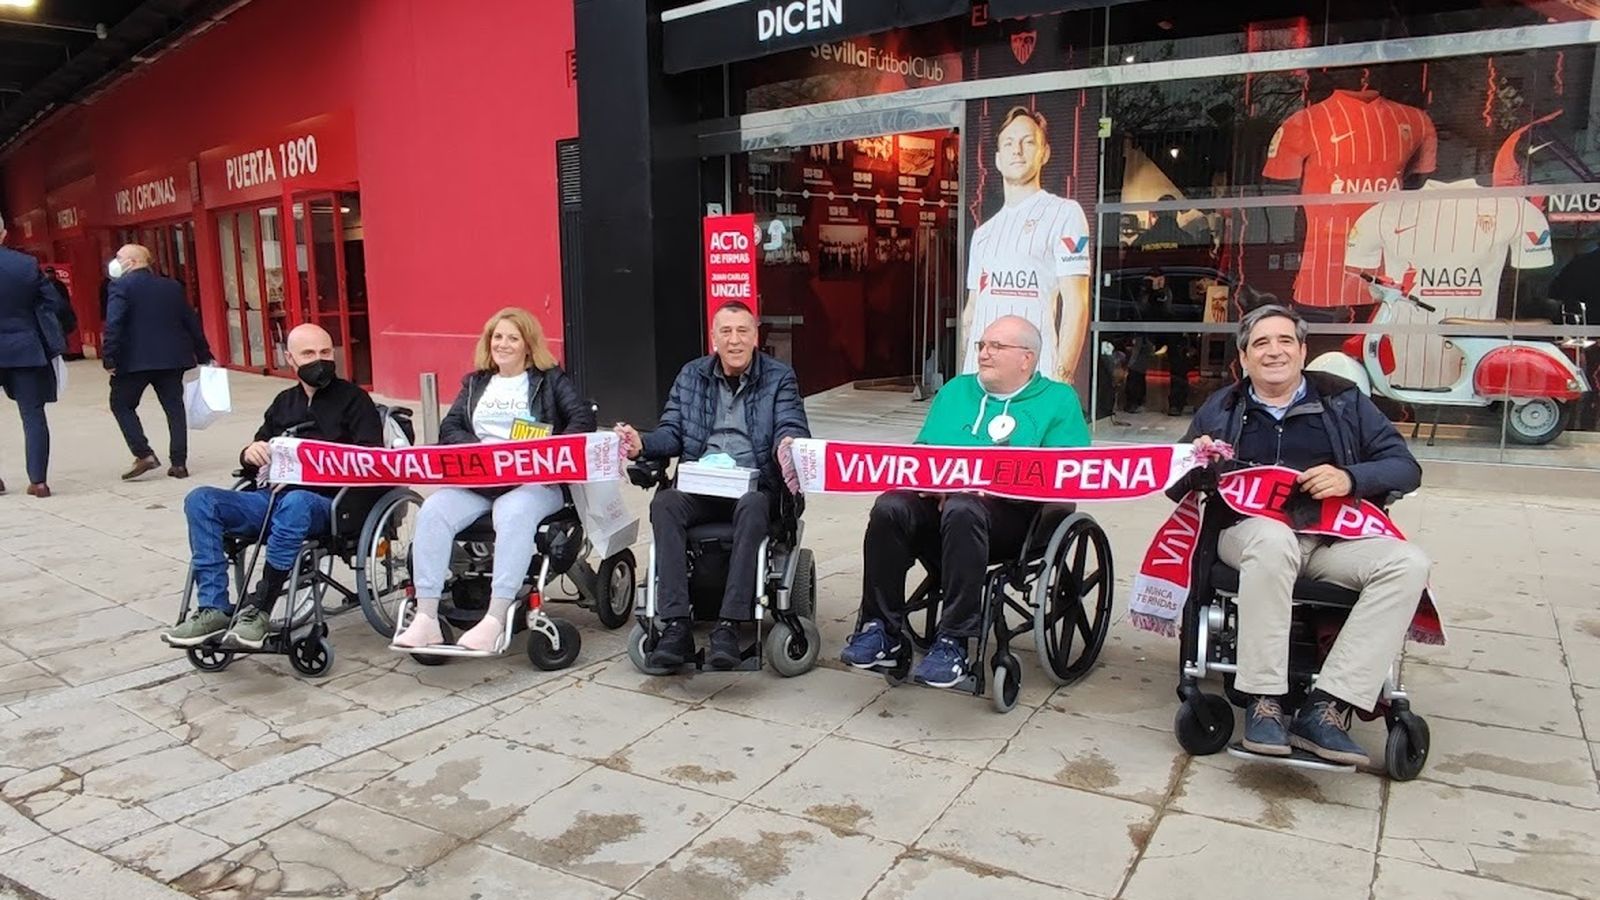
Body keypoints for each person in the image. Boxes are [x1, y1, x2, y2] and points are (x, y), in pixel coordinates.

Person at [1184, 304, 1429, 766]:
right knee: (1273, 541)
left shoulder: (1343, 400)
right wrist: (1196, 459)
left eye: (1284, 341)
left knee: (1409, 563)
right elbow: (1174, 483)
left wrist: (1350, 477)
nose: (1273, 351)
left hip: (1332, 540)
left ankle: (1329, 706)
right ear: (1243, 358)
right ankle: (1263, 700)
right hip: (1248, 536)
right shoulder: (1222, 407)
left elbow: (1405, 467)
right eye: (1260, 343)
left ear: (1302, 351)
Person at [842, 316, 1090, 687]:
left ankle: (953, 640)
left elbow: (1069, 476)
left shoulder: (1058, 400)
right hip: (942, 505)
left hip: (1015, 518)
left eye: (996, 347)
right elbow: (922, 453)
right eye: (982, 346)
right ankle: (881, 630)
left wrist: (989, 488)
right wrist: (935, 483)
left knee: (964, 508)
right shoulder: (956, 391)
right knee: (890, 507)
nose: (984, 354)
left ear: (1027, 358)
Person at [614, 300, 811, 671]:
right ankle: (675, 625)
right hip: (701, 484)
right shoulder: (691, 375)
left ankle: (729, 625)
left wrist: (788, 444)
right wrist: (642, 443)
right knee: (666, 504)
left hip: (754, 485)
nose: (734, 340)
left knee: (754, 506)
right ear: (713, 338)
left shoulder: (779, 377)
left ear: (756, 337)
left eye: (742, 331)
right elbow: (672, 431)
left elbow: (790, 424)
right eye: (726, 332)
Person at [163, 324, 381, 649]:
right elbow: (256, 452)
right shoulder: (283, 403)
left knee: (297, 503)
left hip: (329, 504)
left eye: (325, 352)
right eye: (308, 354)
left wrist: (310, 469)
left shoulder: (355, 400)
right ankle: (213, 608)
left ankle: (259, 610)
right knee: (200, 500)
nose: (319, 360)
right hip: (270, 498)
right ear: (290, 359)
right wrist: (250, 452)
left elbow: (371, 461)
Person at [392, 308, 595, 652]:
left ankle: (496, 617)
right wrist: (483, 454)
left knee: (512, 514)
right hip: (480, 477)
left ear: (528, 345)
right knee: (434, 511)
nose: (503, 344)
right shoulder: (476, 383)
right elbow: (450, 429)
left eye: (512, 338)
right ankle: (426, 616)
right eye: (497, 337)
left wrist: (541, 451)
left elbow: (581, 422)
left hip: (533, 482)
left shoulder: (550, 380)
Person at [961, 106, 1092, 384]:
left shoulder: (1065, 214)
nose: (1017, 150)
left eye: (1027, 142)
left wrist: (1061, 383)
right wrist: (964, 378)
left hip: (1035, 379)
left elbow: (1076, 304)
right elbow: (971, 312)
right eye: (1008, 144)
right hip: (980, 380)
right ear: (997, 159)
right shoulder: (983, 234)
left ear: (1044, 153)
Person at [102, 244, 214, 480]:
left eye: (119, 257)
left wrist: (109, 356)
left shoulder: (120, 286)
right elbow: (189, 319)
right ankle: (179, 463)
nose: (115, 260)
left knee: (121, 405)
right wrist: (203, 352)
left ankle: (144, 453)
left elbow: (114, 323)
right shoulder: (171, 286)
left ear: (131, 262)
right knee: (174, 408)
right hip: (172, 359)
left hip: (133, 360)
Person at [0, 215, 67, 498]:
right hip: (25, 348)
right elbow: (53, 302)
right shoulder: (25, 265)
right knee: (33, 415)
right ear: (3, 233)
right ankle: (38, 481)